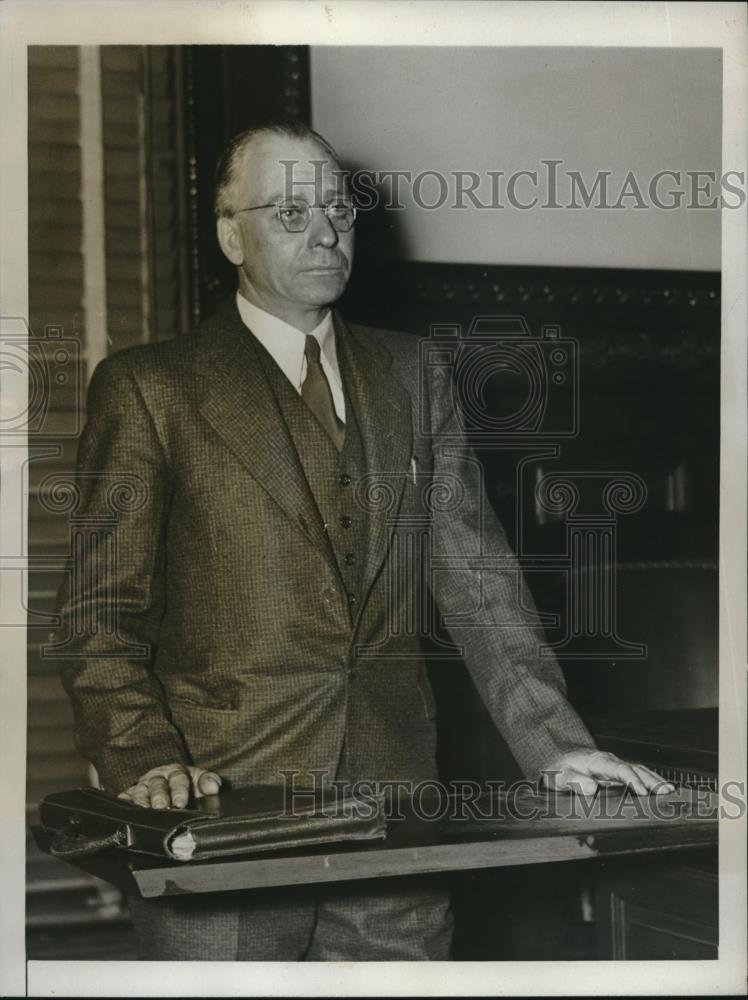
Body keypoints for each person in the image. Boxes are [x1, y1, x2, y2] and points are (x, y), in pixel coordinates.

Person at [56, 121, 671, 961]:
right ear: (230, 233)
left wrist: (558, 747)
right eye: (289, 212)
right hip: (219, 817)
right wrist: (145, 758)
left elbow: (480, 586)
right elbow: (99, 615)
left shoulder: (417, 375)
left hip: (398, 816)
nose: (324, 233)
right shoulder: (150, 388)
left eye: (338, 209)